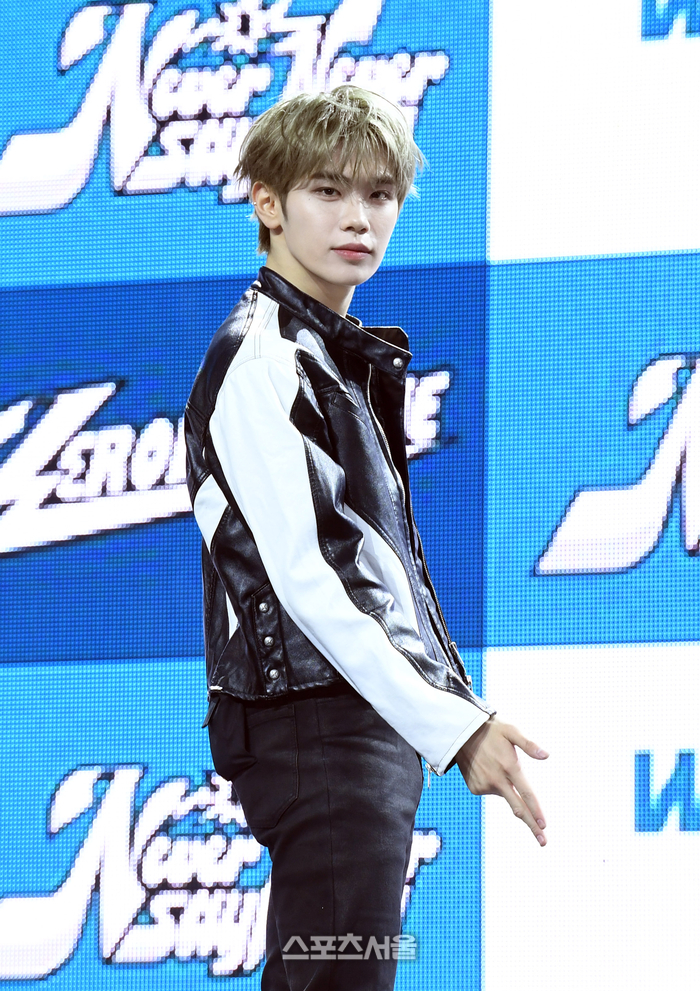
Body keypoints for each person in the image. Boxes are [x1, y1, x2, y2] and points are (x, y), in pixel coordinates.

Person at [185, 85, 548, 991]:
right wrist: (457, 726)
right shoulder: (264, 359)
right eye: (328, 190)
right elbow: (313, 580)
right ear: (268, 204)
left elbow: (372, 575)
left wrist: (441, 708)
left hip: (350, 722)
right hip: (318, 723)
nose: (359, 217)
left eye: (379, 194)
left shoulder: (324, 355)